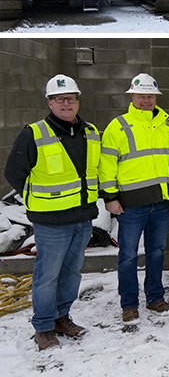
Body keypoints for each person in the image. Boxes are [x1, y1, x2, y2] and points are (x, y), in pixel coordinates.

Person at [3, 75, 100, 350]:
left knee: (71, 273)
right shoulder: (33, 133)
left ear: (78, 101)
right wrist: (39, 199)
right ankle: (43, 327)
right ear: (50, 102)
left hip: (82, 217)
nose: (66, 103)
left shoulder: (90, 131)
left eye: (71, 98)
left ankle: (61, 318)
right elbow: (14, 173)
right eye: (60, 99)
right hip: (51, 222)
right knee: (47, 276)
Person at [99, 73, 169, 323]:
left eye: (150, 95)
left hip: (162, 203)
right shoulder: (118, 126)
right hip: (131, 205)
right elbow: (106, 165)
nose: (146, 100)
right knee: (128, 255)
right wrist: (110, 197)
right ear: (132, 96)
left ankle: (155, 298)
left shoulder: (167, 124)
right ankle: (129, 304)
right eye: (142, 95)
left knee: (156, 252)